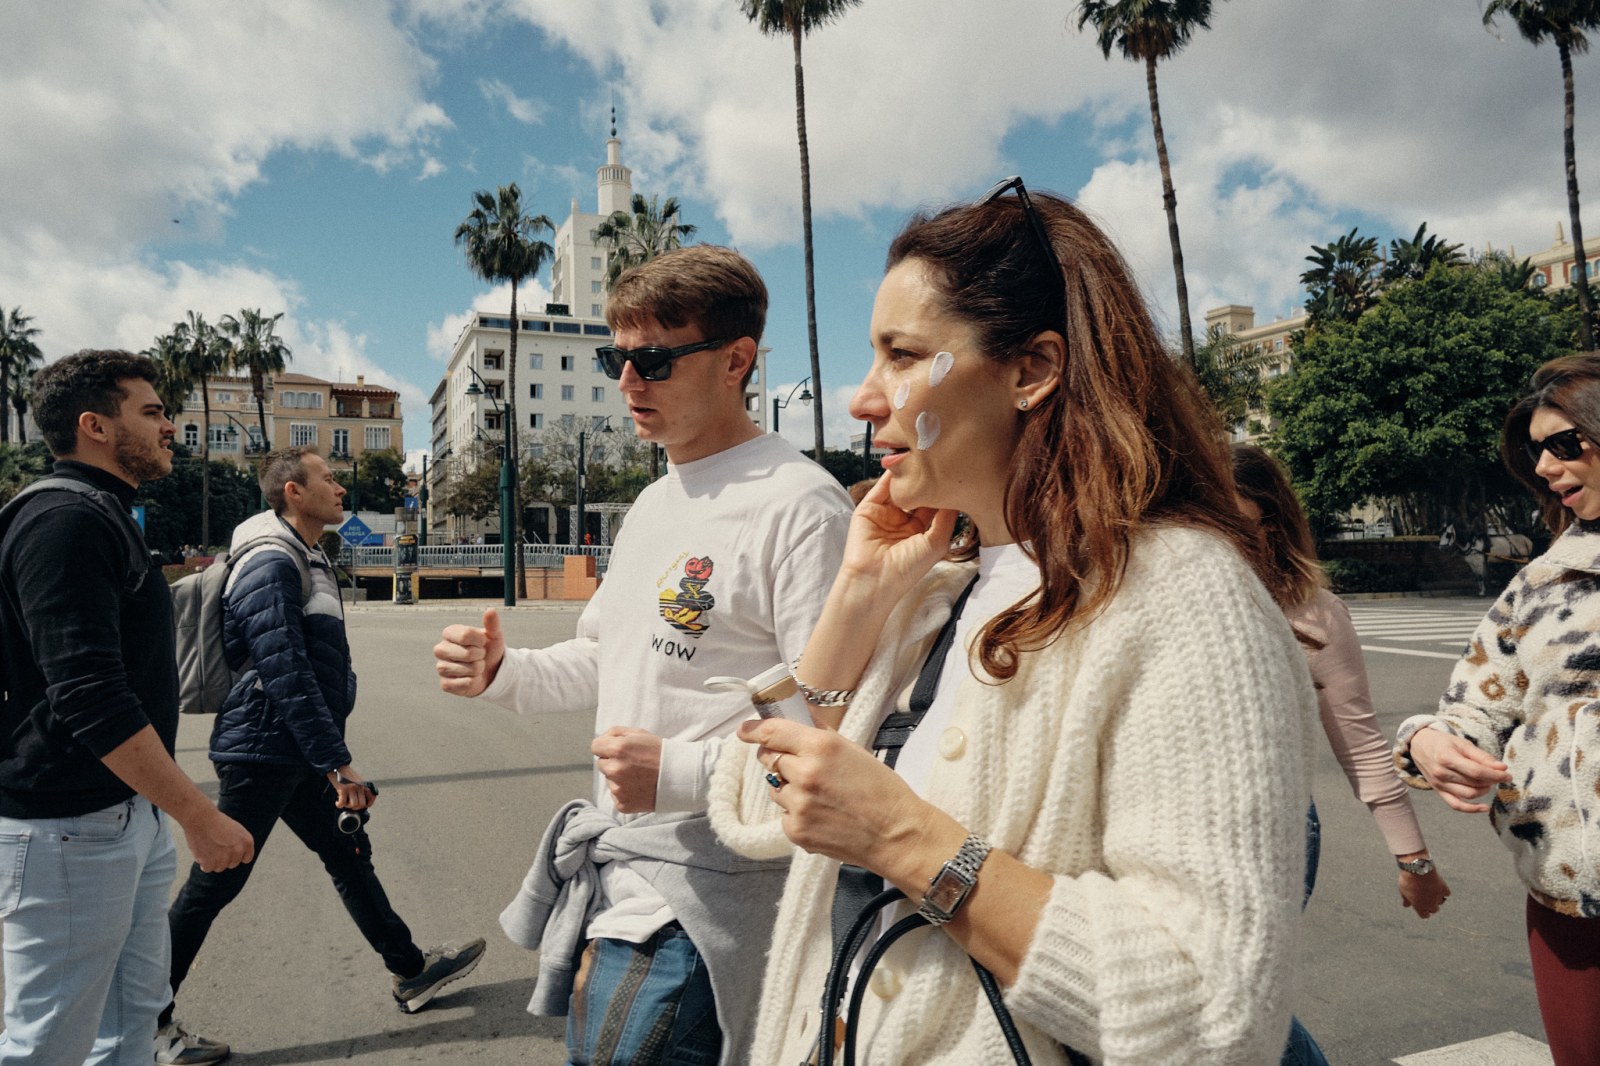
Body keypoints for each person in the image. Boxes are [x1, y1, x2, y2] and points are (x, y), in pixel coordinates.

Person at [707, 181, 1316, 1065]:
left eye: (902, 356)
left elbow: (1209, 1010)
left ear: (1032, 370)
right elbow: (754, 810)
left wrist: (905, 839)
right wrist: (854, 600)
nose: (863, 400)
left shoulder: (1183, 595)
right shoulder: (934, 589)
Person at [434, 244, 853, 1066]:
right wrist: (503, 671)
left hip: (714, 901)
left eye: (653, 360)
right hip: (623, 885)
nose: (627, 381)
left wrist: (685, 773)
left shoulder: (800, 504)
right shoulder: (656, 501)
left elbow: (835, 727)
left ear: (737, 361)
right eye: (615, 358)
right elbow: (606, 657)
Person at [160, 447, 484, 1062]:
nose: (340, 489)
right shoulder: (271, 561)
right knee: (215, 883)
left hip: (286, 747)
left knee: (347, 853)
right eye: (329, 479)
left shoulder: (305, 554)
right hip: (264, 748)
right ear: (292, 491)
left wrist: (323, 755)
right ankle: (144, 1018)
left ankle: (411, 968)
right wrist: (336, 762)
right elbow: (285, 670)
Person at [0, 350, 255, 1064]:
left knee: (128, 1024)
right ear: (95, 427)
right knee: (45, 1042)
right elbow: (88, 694)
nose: (169, 427)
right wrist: (197, 815)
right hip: (67, 826)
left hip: (118, 820)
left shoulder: (99, 515)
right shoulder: (63, 523)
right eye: (150, 412)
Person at [1394, 353, 1600, 1066]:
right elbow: (1469, 709)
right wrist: (1426, 742)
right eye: (1536, 450)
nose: (1546, 465)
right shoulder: (1538, 585)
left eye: (1566, 443)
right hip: (1571, 908)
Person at [1232, 444, 1450, 1066]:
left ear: (1265, 518)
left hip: (1273, 832)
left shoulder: (1313, 612)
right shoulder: (1154, 594)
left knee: (1239, 1000)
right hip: (1158, 831)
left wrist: (1415, 859)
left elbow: (1361, 743)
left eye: (1223, 506)